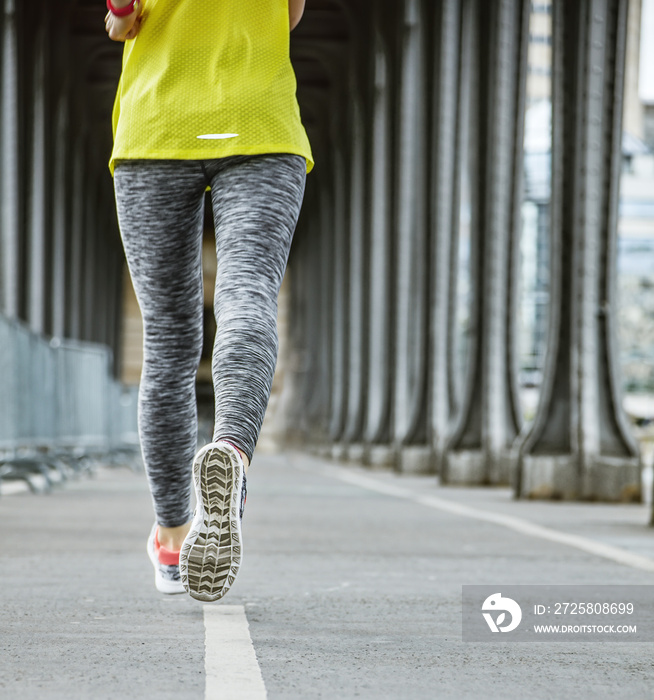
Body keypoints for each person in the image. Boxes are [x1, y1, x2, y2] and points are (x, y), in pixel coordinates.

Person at [105, 0, 313, 602]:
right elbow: (290, 17)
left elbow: (123, 18)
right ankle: (231, 453)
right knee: (248, 294)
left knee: (169, 343)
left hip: (156, 127)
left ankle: (172, 540)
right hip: (260, 124)